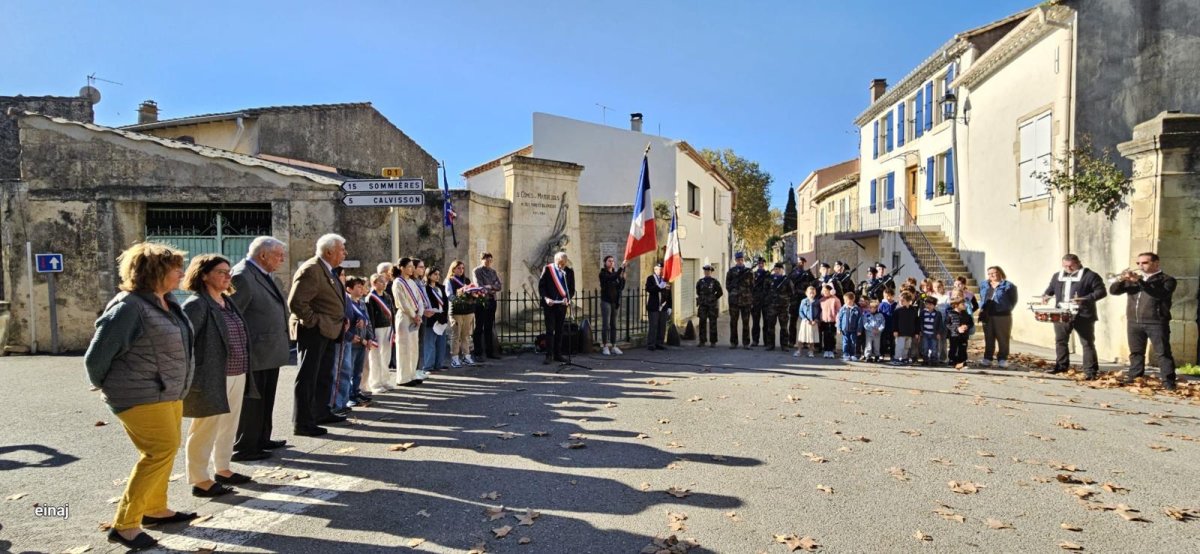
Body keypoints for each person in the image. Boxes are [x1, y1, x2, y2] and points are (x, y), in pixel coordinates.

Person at [84, 242, 196, 550]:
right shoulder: (129, 307)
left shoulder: (167, 301)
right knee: (158, 452)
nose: (181, 273)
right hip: (140, 394)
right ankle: (126, 525)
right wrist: (106, 386)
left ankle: (155, 508)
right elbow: (97, 357)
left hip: (168, 391)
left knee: (167, 450)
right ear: (155, 272)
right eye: (175, 268)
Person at [181, 254, 254, 498]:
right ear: (203, 275)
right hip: (211, 375)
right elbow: (185, 343)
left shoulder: (226, 301)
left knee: (229, 424)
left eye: (228, 271)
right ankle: (199, 479)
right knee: (205, 427)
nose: (227, 276)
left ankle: (223, 468)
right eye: (221, 272)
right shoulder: (196, 304)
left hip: (237, 371)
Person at [228, 236, 290, 461]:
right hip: (255, 350)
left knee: (266, 398)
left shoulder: (261, 273)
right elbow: (233, 314)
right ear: (263, 255)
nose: (282, 259)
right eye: (278, 255)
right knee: (252, 402)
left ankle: (262, 437)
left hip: (268, 350)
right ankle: (245, 445)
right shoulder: (242, 275)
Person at [288, 234, 349, 437]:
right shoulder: (312, 269)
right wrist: (314, 321)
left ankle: (321, 412)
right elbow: (297, 302)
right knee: (308, 377)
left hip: (330, 330)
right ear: (329, 251)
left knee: (324, 375)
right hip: (314, 331)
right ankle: (303, 422)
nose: (345, 253)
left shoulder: (328, 270)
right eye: (342, 249)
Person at [1110, 252, 1178, 389]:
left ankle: (1168, 382)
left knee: (1163, 353)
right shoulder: (1134, 279)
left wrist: (1139, 282)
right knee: (1136, 352)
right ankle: (1135, 377)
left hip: (1156, 322)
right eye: (1138, 263)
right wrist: (1121, 280)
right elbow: (1114, 291)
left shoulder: (1167, 280)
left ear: (1156, 263)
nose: (1140, 266)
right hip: (1134, 321)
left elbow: (1159, 294)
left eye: (1144, 263)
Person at [1041, 253, 1108, 378]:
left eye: (1071, 266)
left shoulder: (1090, 276)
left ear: (1078, 263)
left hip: (1083, 314)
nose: (1068, 269)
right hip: (1062, 313)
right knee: (1060, 341)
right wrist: (1046, 295)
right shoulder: (1057, 275)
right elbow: (1051, 288)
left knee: (1087, 343)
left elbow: (1101, 292)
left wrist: (1085, 299)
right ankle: (1061, 367)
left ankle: (1090, 371)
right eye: (1065, 266)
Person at [335, 276, 373, 413]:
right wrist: (352, 335)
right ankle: (349, 396)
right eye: (358, 287)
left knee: (359, 371)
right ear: (349, 289)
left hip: (363, 340)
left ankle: (356, 391)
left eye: (362, 286)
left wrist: (370, 337)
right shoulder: (347, 303)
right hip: (353, 341)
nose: (361, 289)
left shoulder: (362, 303)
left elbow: (368, 322)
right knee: (348, 371)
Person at [392, 258, 427, 385]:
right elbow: (402, 302)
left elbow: (419, 300)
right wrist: (414, 315)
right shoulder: (398, 282)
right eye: (409, 266)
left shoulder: (412, 282)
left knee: (413, 346)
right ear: (401, 268)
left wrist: (419, 314)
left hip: (415, 317)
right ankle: (403, 378)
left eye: (413, 266)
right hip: (405, 317)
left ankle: (412, 374)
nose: (412, 269)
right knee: (404, 347)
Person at [538, 252, 575, 363]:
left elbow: (572, 289)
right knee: (550, 330)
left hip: (562, 305)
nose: (561, 266)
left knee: (559, 330)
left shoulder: (569, 271)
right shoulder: (548, 269)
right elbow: (541, 286)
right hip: (550, 305)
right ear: (555, 260)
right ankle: (549, 355)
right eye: (560, 263)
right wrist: (546, 298)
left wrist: (567, 299)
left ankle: (558, 354)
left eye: (564, 264)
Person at [977, 266, 1017, 368]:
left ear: (1000, 273)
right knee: (989, 338)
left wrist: (1005, 308)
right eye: (990, 274)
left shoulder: (1008, 286)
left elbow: (1013, 301)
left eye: (994, 273)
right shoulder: (984, 284)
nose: (992, 275)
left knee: (1003, 338)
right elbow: (982, 297)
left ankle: (1002, 359)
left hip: (1002, 316)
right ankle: (988, 358)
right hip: (987, 315)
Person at [445, 260, 479, 367]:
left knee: (466, 335)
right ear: (453, 269)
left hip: (468, 311)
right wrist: (459, 296)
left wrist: (475, 295)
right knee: (456, 335)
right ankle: (455, 358)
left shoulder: (466, 280)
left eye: (463, 268)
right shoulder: (449, 281)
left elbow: (472, 293)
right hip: (456, 311)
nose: (461, 270)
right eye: (459, 268)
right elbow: (449, 295)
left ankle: (466, 356)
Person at [364, 272, 394, 393]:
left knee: (386, 356)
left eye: (384, 281)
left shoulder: (387, 296)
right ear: (374, 283)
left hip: (387, 328)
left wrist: (394, 329)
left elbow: (392, 312)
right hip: (377, 329)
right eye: (381, 281)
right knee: (375, 356)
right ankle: (375, 383)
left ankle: (385, 380)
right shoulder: (371, 297)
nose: (384, 283)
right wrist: (371, 334)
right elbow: (370, 317)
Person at [473, 252, 504, 359]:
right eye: (486, 260)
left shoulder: (493, 272)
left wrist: (489, 286)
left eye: (490, 260)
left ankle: (490, 352)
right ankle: (478, 352)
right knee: (479, 327)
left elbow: (499, 286)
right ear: (482, 260)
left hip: (492, 301)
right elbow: (479, 286)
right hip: (481, 301)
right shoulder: (477, 271)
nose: (488, 262)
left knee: (489, 327)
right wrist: (491, 287)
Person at [422, 267, 450, 373]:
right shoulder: (425, 288)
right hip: (431, 319)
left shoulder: (441, 288)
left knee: (441, 343)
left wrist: (444, 316)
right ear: (429, 275)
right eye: (435, 274)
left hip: (441, 319)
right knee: (429, 343)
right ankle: (428, 365)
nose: (437, 276)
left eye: (438, 274)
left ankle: (439, 364)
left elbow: (445, 303)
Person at [599, 255, 627, 355]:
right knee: (606, 325)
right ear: (605, 263)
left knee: (614, 325)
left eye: (612, 261)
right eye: (609, 261)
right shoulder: (603, 274)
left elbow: (620, 288)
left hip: (615, 302)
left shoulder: (616, 274)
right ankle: (605, 346)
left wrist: (623, 279)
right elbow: (611, 278)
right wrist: (621, 268)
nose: (611, 262)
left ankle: (614, 346)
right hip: (606, 301)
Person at [726, 252, 754, 349]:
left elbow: (752, 285)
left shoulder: (749, 272)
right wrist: (734, 292)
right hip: (734, 301)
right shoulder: (731, 271)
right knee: (733, 322)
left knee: (746, 322)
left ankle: (746, 343)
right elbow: (727, 285)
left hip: (746, 301)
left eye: (741, 259)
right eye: (738, 259)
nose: (740, 261)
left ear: (743, 260)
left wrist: (748, 296)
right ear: (736, 260)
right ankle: (734, 343)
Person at [786, 257, 816, 349]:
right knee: (793, 321)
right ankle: (791, 341)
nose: (801, 264)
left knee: (806, 320)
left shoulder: (807, 273)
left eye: (802, 262)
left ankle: (806, 342)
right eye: (799, 262)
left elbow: (813, 282)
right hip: (794, 299)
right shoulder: (793, 272)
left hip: (804, 299)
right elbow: (789, 281)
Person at [764, 262, 794, 351]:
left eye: (779, 269)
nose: (777, 271)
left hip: (783, 307)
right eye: (775, 269)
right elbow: (765, 291)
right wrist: (768, 301)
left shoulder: (787, 280)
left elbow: (792, 292)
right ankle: (770, 345)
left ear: (782, 270)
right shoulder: (769, 279)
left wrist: (785, 300)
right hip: (772, 307)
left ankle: (784, 345)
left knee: (784, 327)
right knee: (770, 327)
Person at [645, 261, 671, 351]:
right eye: (659, 269)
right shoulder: (650, 278)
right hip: (654, 306)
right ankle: (651, 344)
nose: (660, 271)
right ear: (655, 269)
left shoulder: (665, 280)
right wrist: (659, 287)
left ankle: (659, 343)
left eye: (662, 269)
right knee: (654, 325)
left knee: (662, 325)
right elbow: (649, 289)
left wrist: (670, 306)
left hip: (663, 306)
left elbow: (669, 294)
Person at [696, 264, 723, 347]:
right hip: (703, 305)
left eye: (708, 271)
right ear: (704, 272)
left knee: (713, 323)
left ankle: (713, 341)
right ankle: (702, 341)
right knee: (702, 323)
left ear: (711, 272)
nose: (707, 272)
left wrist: (713, 298)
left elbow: (720, 292)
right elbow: (698, 292)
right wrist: (703, 299)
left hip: (712, 306)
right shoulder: (700, 282)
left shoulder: (715, 282)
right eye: (705, 271)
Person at [891, 291, 920, 366]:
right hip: (900, 332)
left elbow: (916, 322)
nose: (900, 302)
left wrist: (917, 332)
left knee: (907, 347)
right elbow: (894, 321)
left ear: (909, 301)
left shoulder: (913, 310)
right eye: (900, 300)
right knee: (899, 346)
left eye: (902, 300)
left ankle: (904, 358)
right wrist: (895, 330)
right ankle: (897, 358)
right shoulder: (898, 310)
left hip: (910, 333)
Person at [946, 298, 975, 369]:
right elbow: (947, 324)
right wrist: (956, 329)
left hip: (964, 335)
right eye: (962, 304)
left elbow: (971, 323)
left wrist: (966, 326)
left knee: (963, 348)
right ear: (956, 305)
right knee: (953, 348)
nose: (964, 305)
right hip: (954, 335)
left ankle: (962, 361)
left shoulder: (966, 314)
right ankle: (952, 360)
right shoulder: (950, 314)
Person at [794, 286, 820, 358]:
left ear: (815, 293)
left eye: (813, 293)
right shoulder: (804, 301)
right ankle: (799, 350)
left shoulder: (817, 301)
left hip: (813, 322)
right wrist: (805, 319)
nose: (811, 294)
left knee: (812, 337)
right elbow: (801, 311)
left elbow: (819, 312)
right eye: (810, 293)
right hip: (805, 322)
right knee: (802, 336)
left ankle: (811, 351)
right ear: (806, 293)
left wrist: (816, 320)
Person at [750, 257, 770, 346]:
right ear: (757, 264)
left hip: (765, 301)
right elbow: (750, 287)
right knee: (755, 322)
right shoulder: (753, 275)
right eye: (759, 263)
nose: (761, 265)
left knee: (766, 322)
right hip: (756, 301)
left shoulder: (768, 274)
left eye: (762, 263)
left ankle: (766, 341)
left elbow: (771, 287)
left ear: (764, 264)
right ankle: (755, 340)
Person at [837, 291, 862, 361]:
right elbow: (839, 319)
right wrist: (838, 328)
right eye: (844, 300)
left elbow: (860, 320)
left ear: (852, 300)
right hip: (845, 329)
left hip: (853, 329)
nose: (845, 302)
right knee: (845, 342)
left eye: (847, 300)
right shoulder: (843, 309)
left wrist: (859, 330)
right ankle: (845, 354)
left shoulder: (857, 309)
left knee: (853, 342)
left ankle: (852, 354)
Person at [818, 284, 842, 358]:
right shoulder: (821, 300)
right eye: (823, 291)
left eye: (826, 291)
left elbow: (839, 312)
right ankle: (826, 350)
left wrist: (838, 322)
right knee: (825, 336)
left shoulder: (835, 299)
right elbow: (819, 310)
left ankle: (831, 350)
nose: (825, 292)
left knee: (831, 336)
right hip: (824, 321)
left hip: (832, 321)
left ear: (831, 291)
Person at [919, 296, 943, 366]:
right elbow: (920, 322)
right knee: (925, 347)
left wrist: (938, 333)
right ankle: (925, 360)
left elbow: (940, 324)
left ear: (934, 305)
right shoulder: (923, 312)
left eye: (930, 304)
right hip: (925, 333)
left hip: (934, 334)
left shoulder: (937, 314)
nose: (928, 306)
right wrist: (920, 331)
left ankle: (934, 360)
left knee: (934, 347)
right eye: (927, 304)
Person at [878, 288, 896, 361]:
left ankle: (892, 355)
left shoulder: (895, 304)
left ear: (892, 296)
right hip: (884, 326)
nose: (887, 298)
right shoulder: (881, 304)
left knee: (893, 342)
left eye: (889, 296)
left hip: (893, 326)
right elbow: (879, 315)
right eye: (885, 296)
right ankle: (881, 354)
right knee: (883, 341)